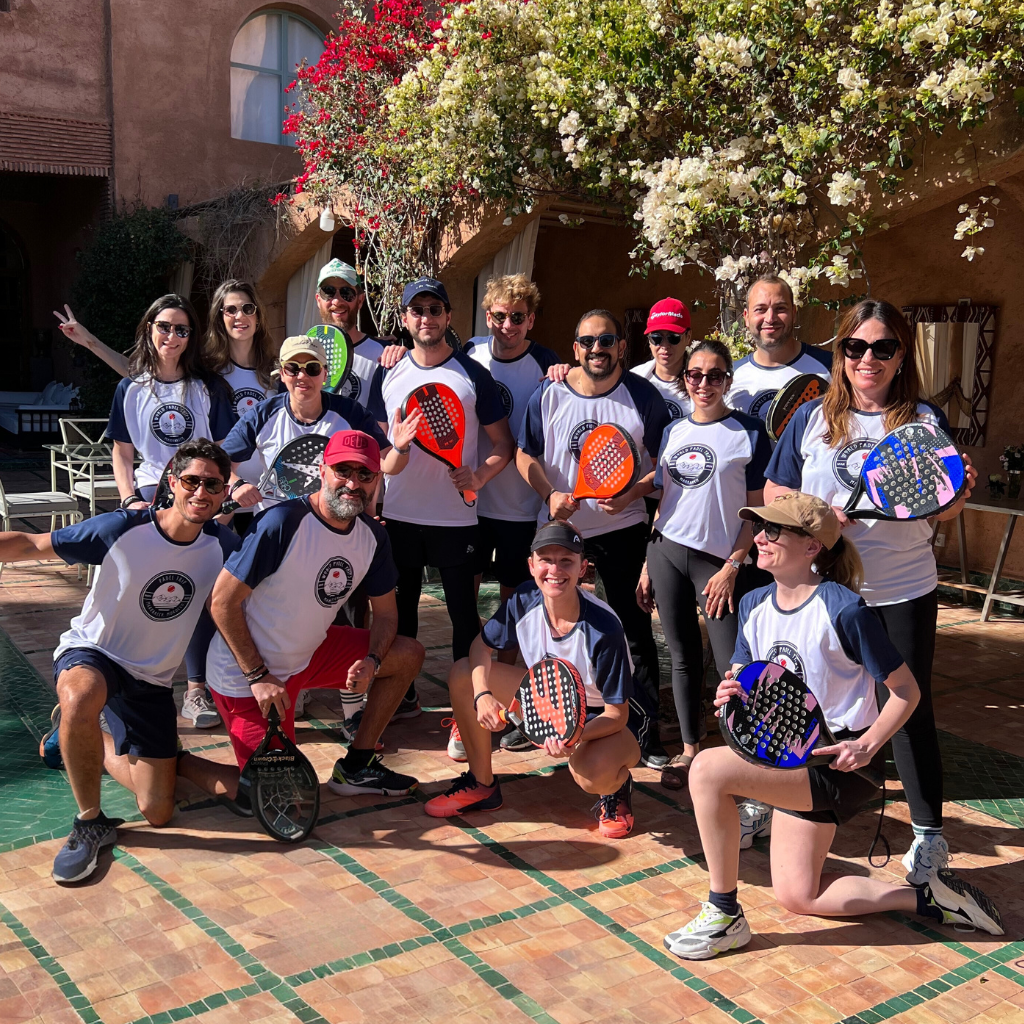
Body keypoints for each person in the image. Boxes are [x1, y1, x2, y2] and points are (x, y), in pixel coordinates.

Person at [662, 493, 1002, 960]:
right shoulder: (754, 603)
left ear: (812, 546)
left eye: (773, 530)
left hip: (838, 763)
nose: (760, 538)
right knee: (799, 896)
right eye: (759, 528)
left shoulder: (845, 609)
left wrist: (868, 745)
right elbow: (745, 681)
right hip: (788, 758)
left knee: (706, 770)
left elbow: (907, 692)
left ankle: (724, 915)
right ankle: (928, 898)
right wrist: (729, 695)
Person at [763, 298, 977, 885]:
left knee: (909, 708)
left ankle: (929, 836)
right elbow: (775, 491)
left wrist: (956, 497)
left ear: (901, 355)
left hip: (902, 589)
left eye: (883, 347)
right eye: (856, 347)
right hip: (826, 592)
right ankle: (776, 797)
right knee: (803, 699)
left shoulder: (923, 421)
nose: (868, 359)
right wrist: (816, 513)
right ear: (840, 353)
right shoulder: (812, 419)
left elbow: (942, 504)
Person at [25, 440, 240, 883]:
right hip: (95, 652)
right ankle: (89, 822)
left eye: (213, 484)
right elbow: (33, 543)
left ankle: (73, 733)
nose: (201, 492)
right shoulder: (123, 528)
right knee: (81, 695)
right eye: (191, 481)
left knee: (158, 811)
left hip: (152, 678)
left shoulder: (225, 547)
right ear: (172, 483)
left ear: (224, 493)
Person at [186, 431, 426, 806]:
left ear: (377, 480)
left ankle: (358, 766)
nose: (353, 483)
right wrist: (258, 676)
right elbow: (220, 603)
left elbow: (386, 614)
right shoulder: (282, 522)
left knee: (407, 654)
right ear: (322, 471)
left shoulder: (372, 538)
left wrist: (372, 661)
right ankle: (178, 762)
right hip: (246, 677)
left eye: (364, 474)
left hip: (308, 656)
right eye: (343, 470)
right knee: (284, 803)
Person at [424, 521, 653, 836]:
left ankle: (615, 787)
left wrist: (571, 736)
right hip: (554, 700)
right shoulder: (524, 599)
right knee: (465, 672)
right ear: (531, 565)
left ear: (582, 568)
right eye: (546, 559)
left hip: (608, 716)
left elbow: (617, 714)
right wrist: (483, 696)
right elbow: (480, 647)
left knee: (590, 772)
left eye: (566, 561)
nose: (554, 570)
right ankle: (482, 784)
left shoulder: (603, 628)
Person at [517, 308, 672, 768]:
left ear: (622, 347)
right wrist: (549, 494)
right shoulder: (548, 393)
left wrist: (632, 494)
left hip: (622, 531)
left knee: (634, 632)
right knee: (551, 629)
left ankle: (645, 731)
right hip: (561, 533)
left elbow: (665, 465)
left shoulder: (643, 396)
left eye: (606, 341)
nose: (597, 349)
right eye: (587, 342)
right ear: (575, 348)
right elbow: (525, 454)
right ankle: (548, 720)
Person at [367, 277, 514, 718]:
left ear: (448, 316)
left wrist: (478, 477)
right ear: (405, 318)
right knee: (401, 615)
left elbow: (503, 445)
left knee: (464, 616)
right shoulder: (388, 371)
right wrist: (395, 455)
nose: (426, 318)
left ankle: (465, 706)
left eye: (435, 309)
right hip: (400, 516)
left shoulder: (474, 375)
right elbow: (380, 452)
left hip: (456, 519)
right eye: (418, 310)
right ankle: (404, 696)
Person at [637, 340, 771, 788]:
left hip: (719, 565)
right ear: (685, 379)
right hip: (666, 552)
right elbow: (665, 500)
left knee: (733, 665)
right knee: (682, 657)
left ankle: (743, 755)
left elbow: (756, 512)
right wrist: (647, 563)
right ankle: (690, 749)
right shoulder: (673, 430)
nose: (704, 383)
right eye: (695, 375)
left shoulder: (749, 432)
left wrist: (733, 566)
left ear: (728, 380)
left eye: (715, 375)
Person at [222, 335, 409, 511]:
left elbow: (388, 465)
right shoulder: (262, 415)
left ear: (325, 374)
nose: (302, 376)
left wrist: (400, 448)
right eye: (293, 368)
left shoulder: (351, 413)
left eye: (312, 368)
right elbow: (220, 463)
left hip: (334, 523)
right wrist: (236, 485)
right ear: (282, 374)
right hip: (276, 521)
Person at [727, 275, 832, 422]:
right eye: (760, 309)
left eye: (780, 308)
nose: (770, 318)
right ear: (746, 317)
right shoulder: (728, 378)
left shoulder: (831, 367)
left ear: (794, 313)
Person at [314, 258, 386, 406]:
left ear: (360, 300)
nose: (337, 301)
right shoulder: (302, 354)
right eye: (328, 292)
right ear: (318, 300)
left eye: (346, 293)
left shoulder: (383, 355)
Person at [630, 298, 693, 423]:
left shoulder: (703, 382)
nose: (664, 346)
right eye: (656, 338)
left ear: (688, 337)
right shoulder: (632, 380)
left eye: (673, 338)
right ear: (649, 341)